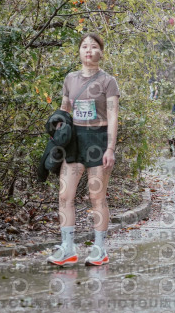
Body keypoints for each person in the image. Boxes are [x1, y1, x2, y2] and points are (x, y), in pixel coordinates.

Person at [47, 32, 119, 267]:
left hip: (98, 140)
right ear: (79, 51)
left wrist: (110, 148)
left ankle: (99, 248)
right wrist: (58, 127)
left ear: (101, 53)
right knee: (64, 195)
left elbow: (113, 116)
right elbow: (64, 110)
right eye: (84, 46)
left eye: (94, 46)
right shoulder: (70, 79)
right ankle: (68, 247)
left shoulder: (108, 81)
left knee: (96, 196)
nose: (88, 50)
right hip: (74, 141)